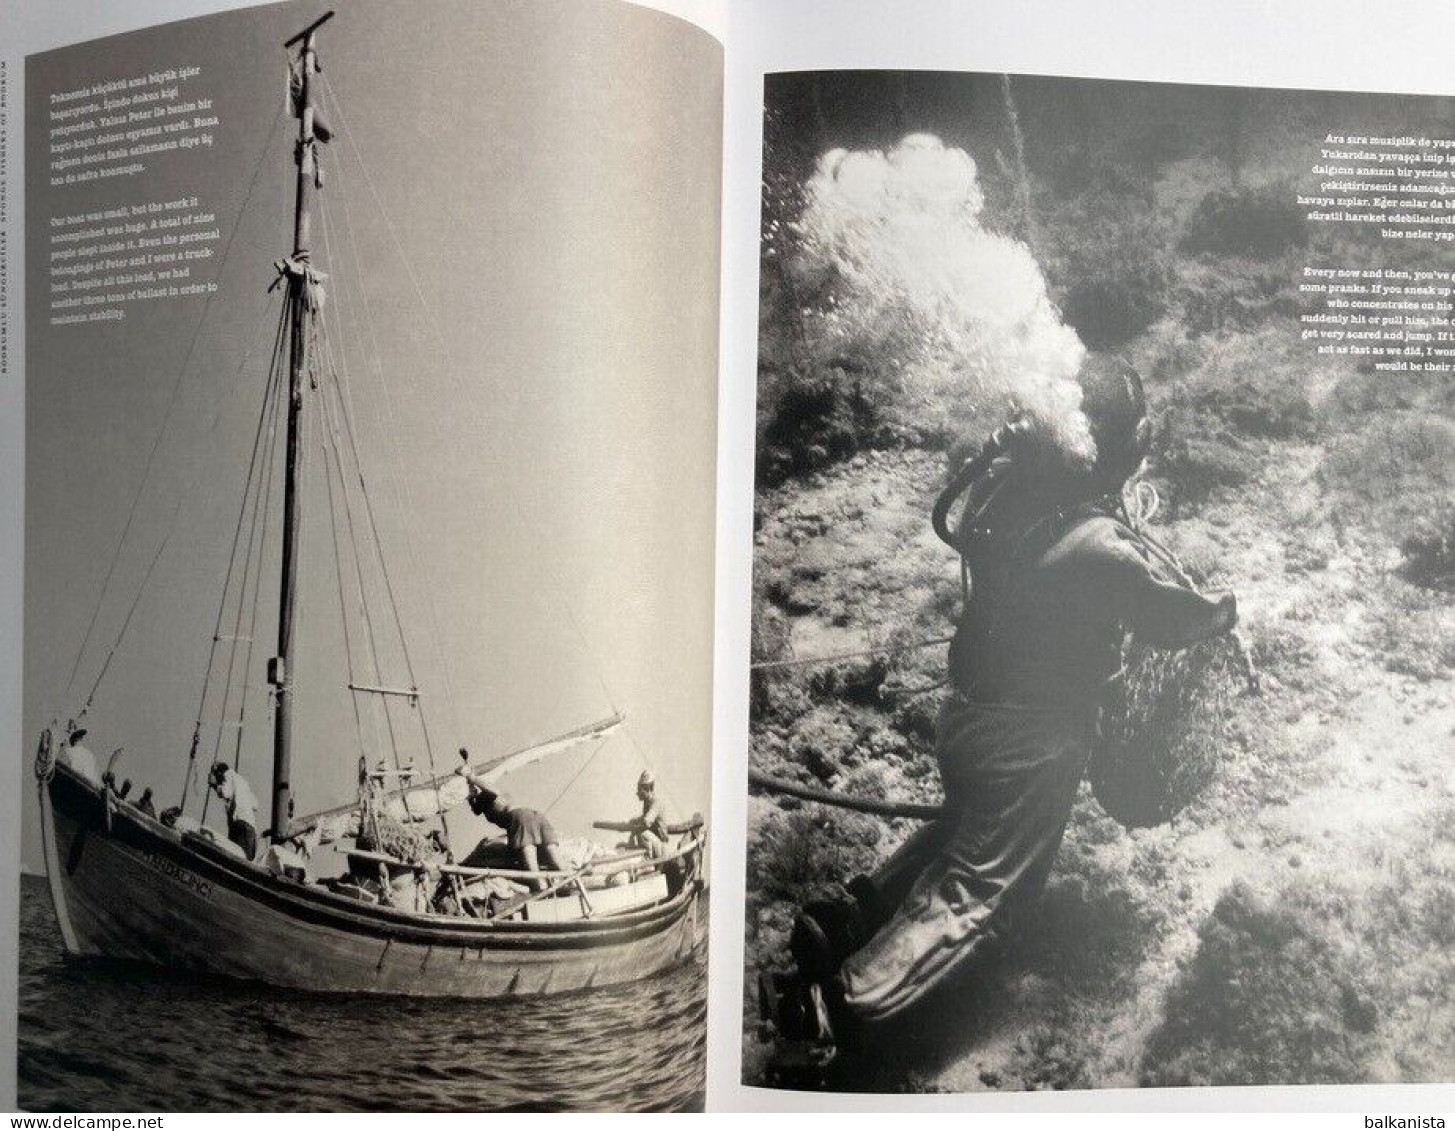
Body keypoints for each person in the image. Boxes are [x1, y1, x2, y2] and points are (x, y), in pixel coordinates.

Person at [779, 358, 1239, 1036]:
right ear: (1104, 448)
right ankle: (836, 1007)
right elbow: (1171, 620)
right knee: (982, 891)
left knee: (960, 831)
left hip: (965, 720)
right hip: (1027, 748)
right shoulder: (1101, 549)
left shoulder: (1002, 499)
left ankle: (847, 916)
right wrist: (1222, 611)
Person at [457, 754, 565, 886]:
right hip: (537, 817)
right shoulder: (486, 804)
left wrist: (471, 777)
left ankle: (541, 886)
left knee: (531, 868)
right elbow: (475, 807)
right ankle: (568, 882)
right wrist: (470, 785)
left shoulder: (494, 798)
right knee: (557, 860)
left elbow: (492, 790)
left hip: (521, 819)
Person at [209, 761, 260, 860]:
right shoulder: (243, 782)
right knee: (245, 862)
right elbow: (255, 805)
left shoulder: (228, 774)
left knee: (234, 859)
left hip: (240, 826)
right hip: (251, 830)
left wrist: (215, 785)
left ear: (219, 773)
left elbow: (226, 792)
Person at [626, 770, 671, 858]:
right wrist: (633, 821)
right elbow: (643, 818)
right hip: (654, 843)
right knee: (639, 832)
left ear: (649, 788)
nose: (638, 792)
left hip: (661, 846)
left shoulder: (656, 803)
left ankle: (649, 861)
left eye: (640, 789)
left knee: (642, 833)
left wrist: (634, 829)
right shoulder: (647, 803)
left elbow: (647, 821)